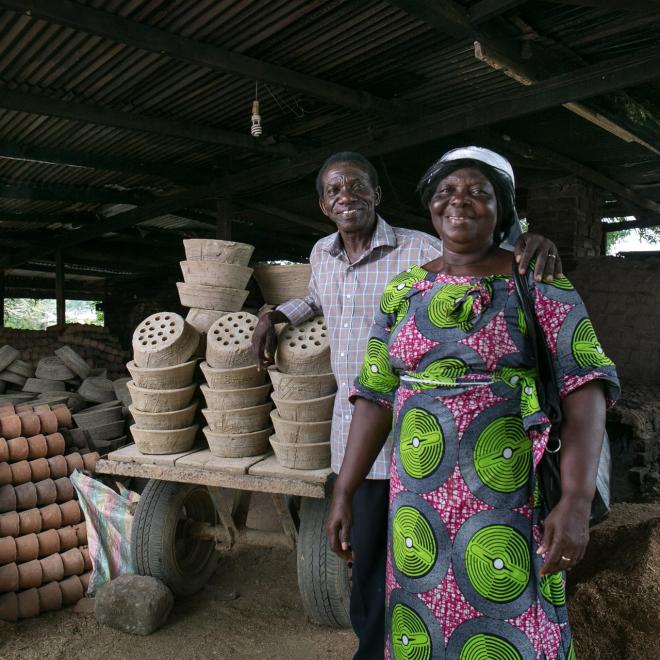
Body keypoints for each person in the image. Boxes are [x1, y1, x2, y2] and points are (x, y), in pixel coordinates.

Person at [252, 150, 562, 659]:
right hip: (353, 429)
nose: (346, 196)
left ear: (377, 194)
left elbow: (479, 258)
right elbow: (316, 298)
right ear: (323, 204)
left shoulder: (419, 251)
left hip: (420, 443)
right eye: (334, 190)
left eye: (356, 186)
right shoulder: (322, 254)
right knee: (368, 556)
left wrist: (530, 242)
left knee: (418, 558)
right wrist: (273, 313)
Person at [325, 147, 620, 658]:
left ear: (501, 210)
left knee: (515, 617)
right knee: (423, 622)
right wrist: (345, 489)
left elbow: (585, 386)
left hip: (509, 496)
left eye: (478, 192)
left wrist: (575, 499)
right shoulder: (405, 290)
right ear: (431, 208)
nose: (459, 202)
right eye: (446, 192)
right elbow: (374, 394)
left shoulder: (537, 282)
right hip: (417, 504)